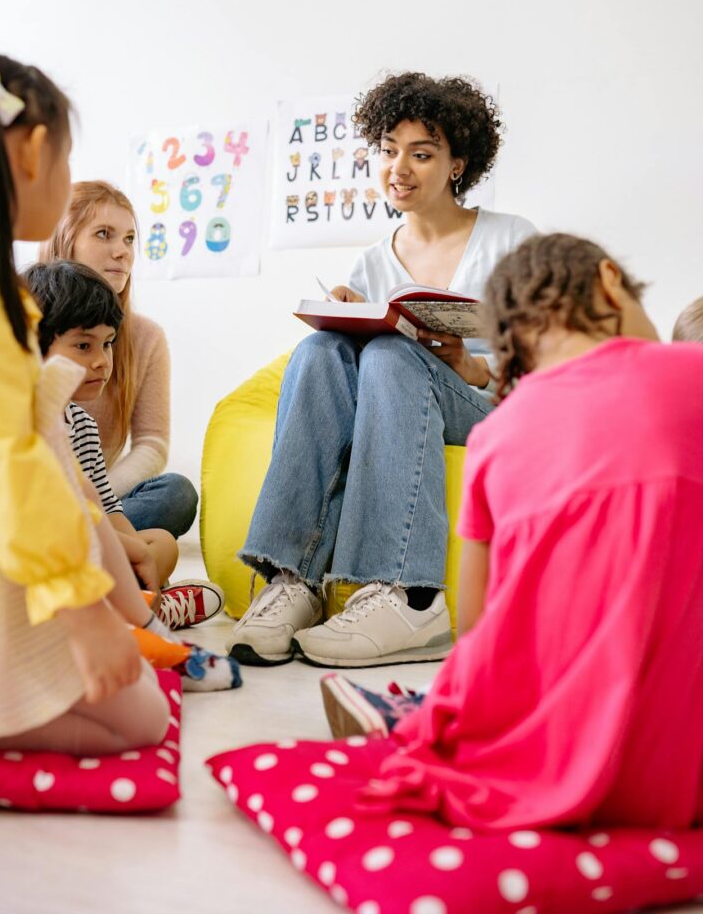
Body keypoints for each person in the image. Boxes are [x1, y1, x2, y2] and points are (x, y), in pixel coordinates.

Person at [336, 232, 703, 830]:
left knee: (472, 686)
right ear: (611, 282)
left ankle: (410, 717)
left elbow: (475, 631)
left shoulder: (492, 439)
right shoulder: (693, 374)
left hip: (543, 767)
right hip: (679, 777)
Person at [229, 72, 536, 668]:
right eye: (388, 151)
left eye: (421, 154)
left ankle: (409, 596)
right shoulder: (374, 259)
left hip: (488, 404)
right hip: (402, 401)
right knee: (318, 352)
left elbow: (549, 363)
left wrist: (471, 367)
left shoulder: (510, 240)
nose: (399, 167)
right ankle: (291, 580)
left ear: (457, 165)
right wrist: (346, 319)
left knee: (395, 354)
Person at [0, 52, 169, 753]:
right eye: (66, 165)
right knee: (145, 721)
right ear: (34, 154)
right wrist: (81, 609)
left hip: (18, 538)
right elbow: (9, 461)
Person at [24, 259, 224, 631]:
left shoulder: (81, 424)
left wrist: (140, 558)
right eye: (83, 346)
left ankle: (137, 605)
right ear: (34, 347)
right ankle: (142, 612)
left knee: (162, 543)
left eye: (108, 344)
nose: (102, 362)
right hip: (46, 554)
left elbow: (108, 509)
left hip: (97, 544)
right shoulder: (23, 420)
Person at [41, 181, 197, 539]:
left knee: (175, 495)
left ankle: (91, 546)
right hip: (32, 498)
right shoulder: (21, 317)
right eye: (104, 234)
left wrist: (97, 500)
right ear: (66, 241)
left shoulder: (147, 337)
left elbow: (152, 445)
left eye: (129, 239)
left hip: (99, 496)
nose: (122, 252)